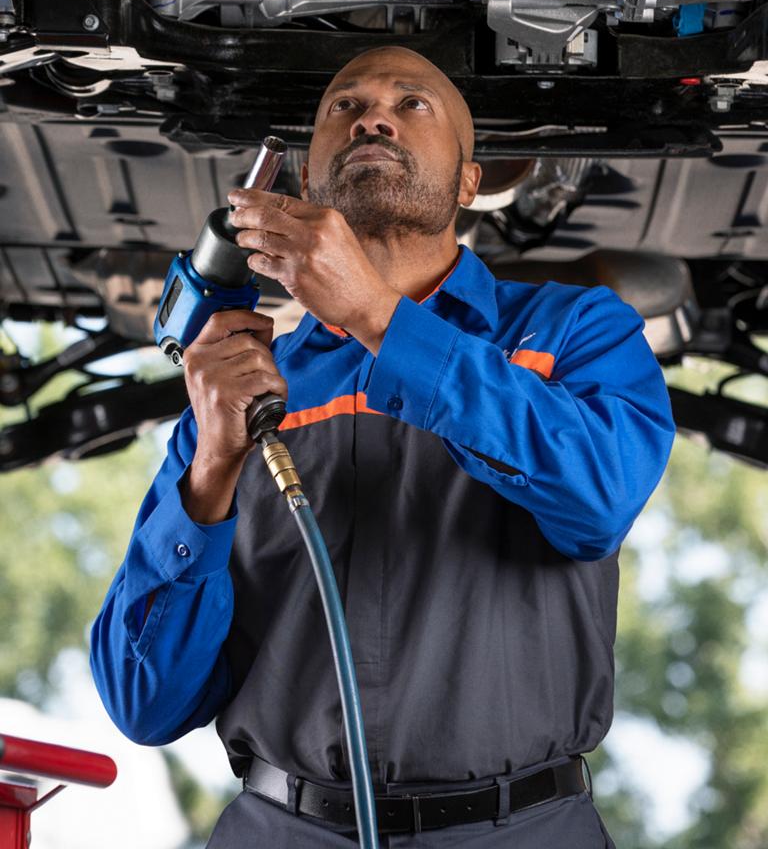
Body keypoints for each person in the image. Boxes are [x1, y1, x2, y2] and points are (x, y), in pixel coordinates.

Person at [90, 46, 675, 848]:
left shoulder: (573, 330)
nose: (373, 116)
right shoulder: (241, 388)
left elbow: (600, 494)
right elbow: (143, 702)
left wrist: (379, 318)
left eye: (413, 104)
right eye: (344, 106)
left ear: (470, 182)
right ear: (304, 178)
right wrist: (211, 472)